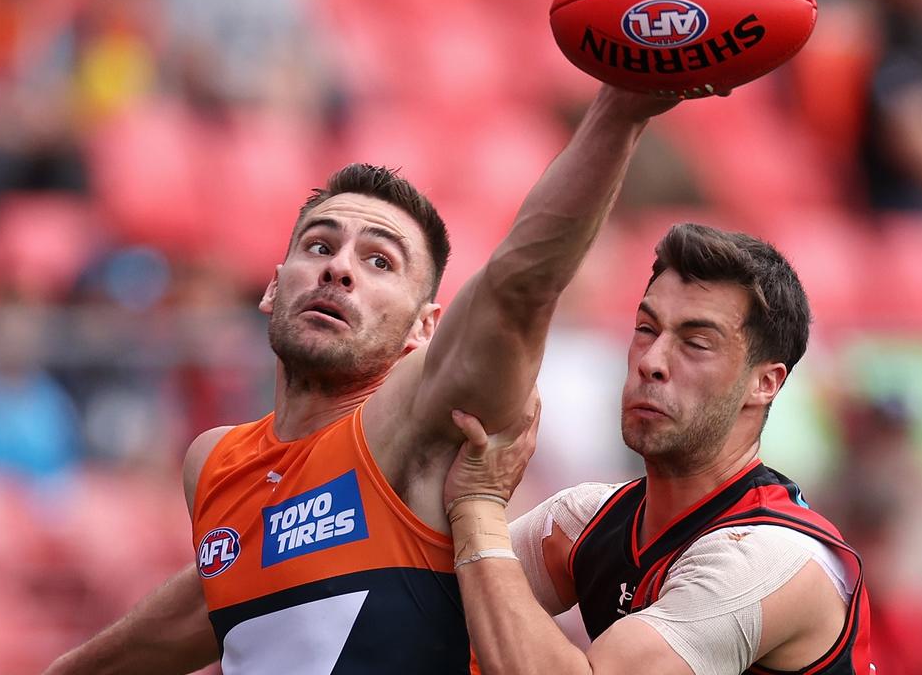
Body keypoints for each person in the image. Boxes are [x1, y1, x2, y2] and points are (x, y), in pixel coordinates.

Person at [45, 84, 678, 674]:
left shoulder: (408, 425)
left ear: (423, 331)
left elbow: (519, 288)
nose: (339, 269)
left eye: (380, 260)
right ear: (272, 286)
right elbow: (216, 597)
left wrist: (618, 115)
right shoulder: (211, 462)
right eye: (319, 246)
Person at [443, 223, 875, 674]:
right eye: (646, 329)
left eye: (696, 343)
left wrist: (478, 503)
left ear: (765, 383)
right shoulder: (589, 519)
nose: (651, 361)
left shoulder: (772, 558)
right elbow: (425, 598)